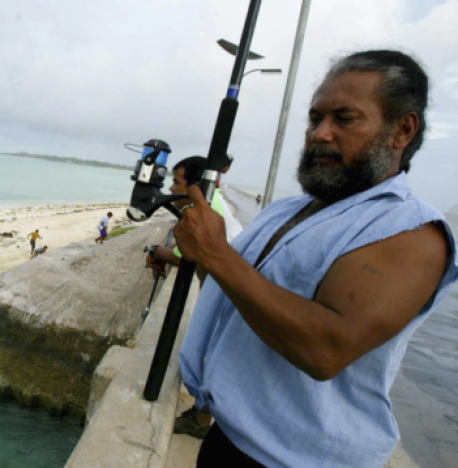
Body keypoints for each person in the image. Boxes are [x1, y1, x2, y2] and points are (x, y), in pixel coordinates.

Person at [173, 50, 457, 468]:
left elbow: (325, 350)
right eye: (314, 118)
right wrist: (197, 252)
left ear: (402, 130)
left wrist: (216, 255)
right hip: (228, 438)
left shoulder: (411, 232)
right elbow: (234, 300)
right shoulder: (285, 211)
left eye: (344, 119)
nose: (320, 133)